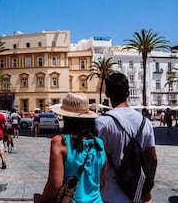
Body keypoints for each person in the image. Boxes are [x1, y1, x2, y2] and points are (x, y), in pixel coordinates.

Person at [34, 92, 107, 203]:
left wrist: (41, 200)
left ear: (66, 117)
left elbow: (55, 185)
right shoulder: (99, 143)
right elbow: (102, 182)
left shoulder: (60, 142)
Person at [96, 72, 157, 203]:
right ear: (128, 93)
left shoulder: (102, 123)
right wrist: (147, 189)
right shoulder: (144, 122)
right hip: (136, 195)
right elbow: (152, 159)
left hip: (109, 195)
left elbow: (99, 162)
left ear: (107, 94)